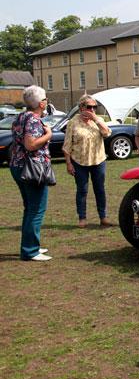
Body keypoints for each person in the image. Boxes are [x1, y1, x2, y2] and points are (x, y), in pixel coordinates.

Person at [10, 85, 53, 261]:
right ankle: (30, 250)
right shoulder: (34, 120)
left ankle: (31, 245)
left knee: (30, 208)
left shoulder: (19, 117)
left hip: (17, 165)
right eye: (45, 99)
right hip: (32, 169)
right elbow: (30, 144)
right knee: (36, 210)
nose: (47, 101)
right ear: (41, 103)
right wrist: (48, 134)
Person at [63, 94, 112, 228]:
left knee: (100, 189)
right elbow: (67, 145)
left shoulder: (98, 120)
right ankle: (82, 218)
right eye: (89, 107)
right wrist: (68, 163)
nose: (92, 110)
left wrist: (96, 119)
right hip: (79, 162)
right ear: (81, 107)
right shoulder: (73, 122)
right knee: (82, 190)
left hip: (98, 160)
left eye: (94, 107)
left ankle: (103, 217)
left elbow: (107, 133)